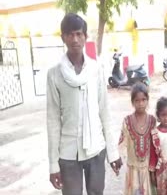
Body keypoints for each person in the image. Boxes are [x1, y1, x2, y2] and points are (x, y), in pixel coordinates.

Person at [46, 13, 122, 195]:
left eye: (79, 34)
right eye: (70, 34)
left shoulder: (96, 69)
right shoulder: (54, 74)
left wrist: (113, 152)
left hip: (96, 149)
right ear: (62, 37)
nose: (75, 39)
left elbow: (104, 112)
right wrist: (53, 164)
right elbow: (53, 121)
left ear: (85, 37)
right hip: (68, 152)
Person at [118, 82, 156, 195]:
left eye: (144, 99)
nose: (141, 103)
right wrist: (118, 157)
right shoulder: (127, 121)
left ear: (148, 100)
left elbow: (156, 147)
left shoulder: (152, 121)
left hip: (148, 171)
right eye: (137, 100)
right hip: (132, 170)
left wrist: (155, 168)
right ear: (132, 102)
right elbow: (122, 144)